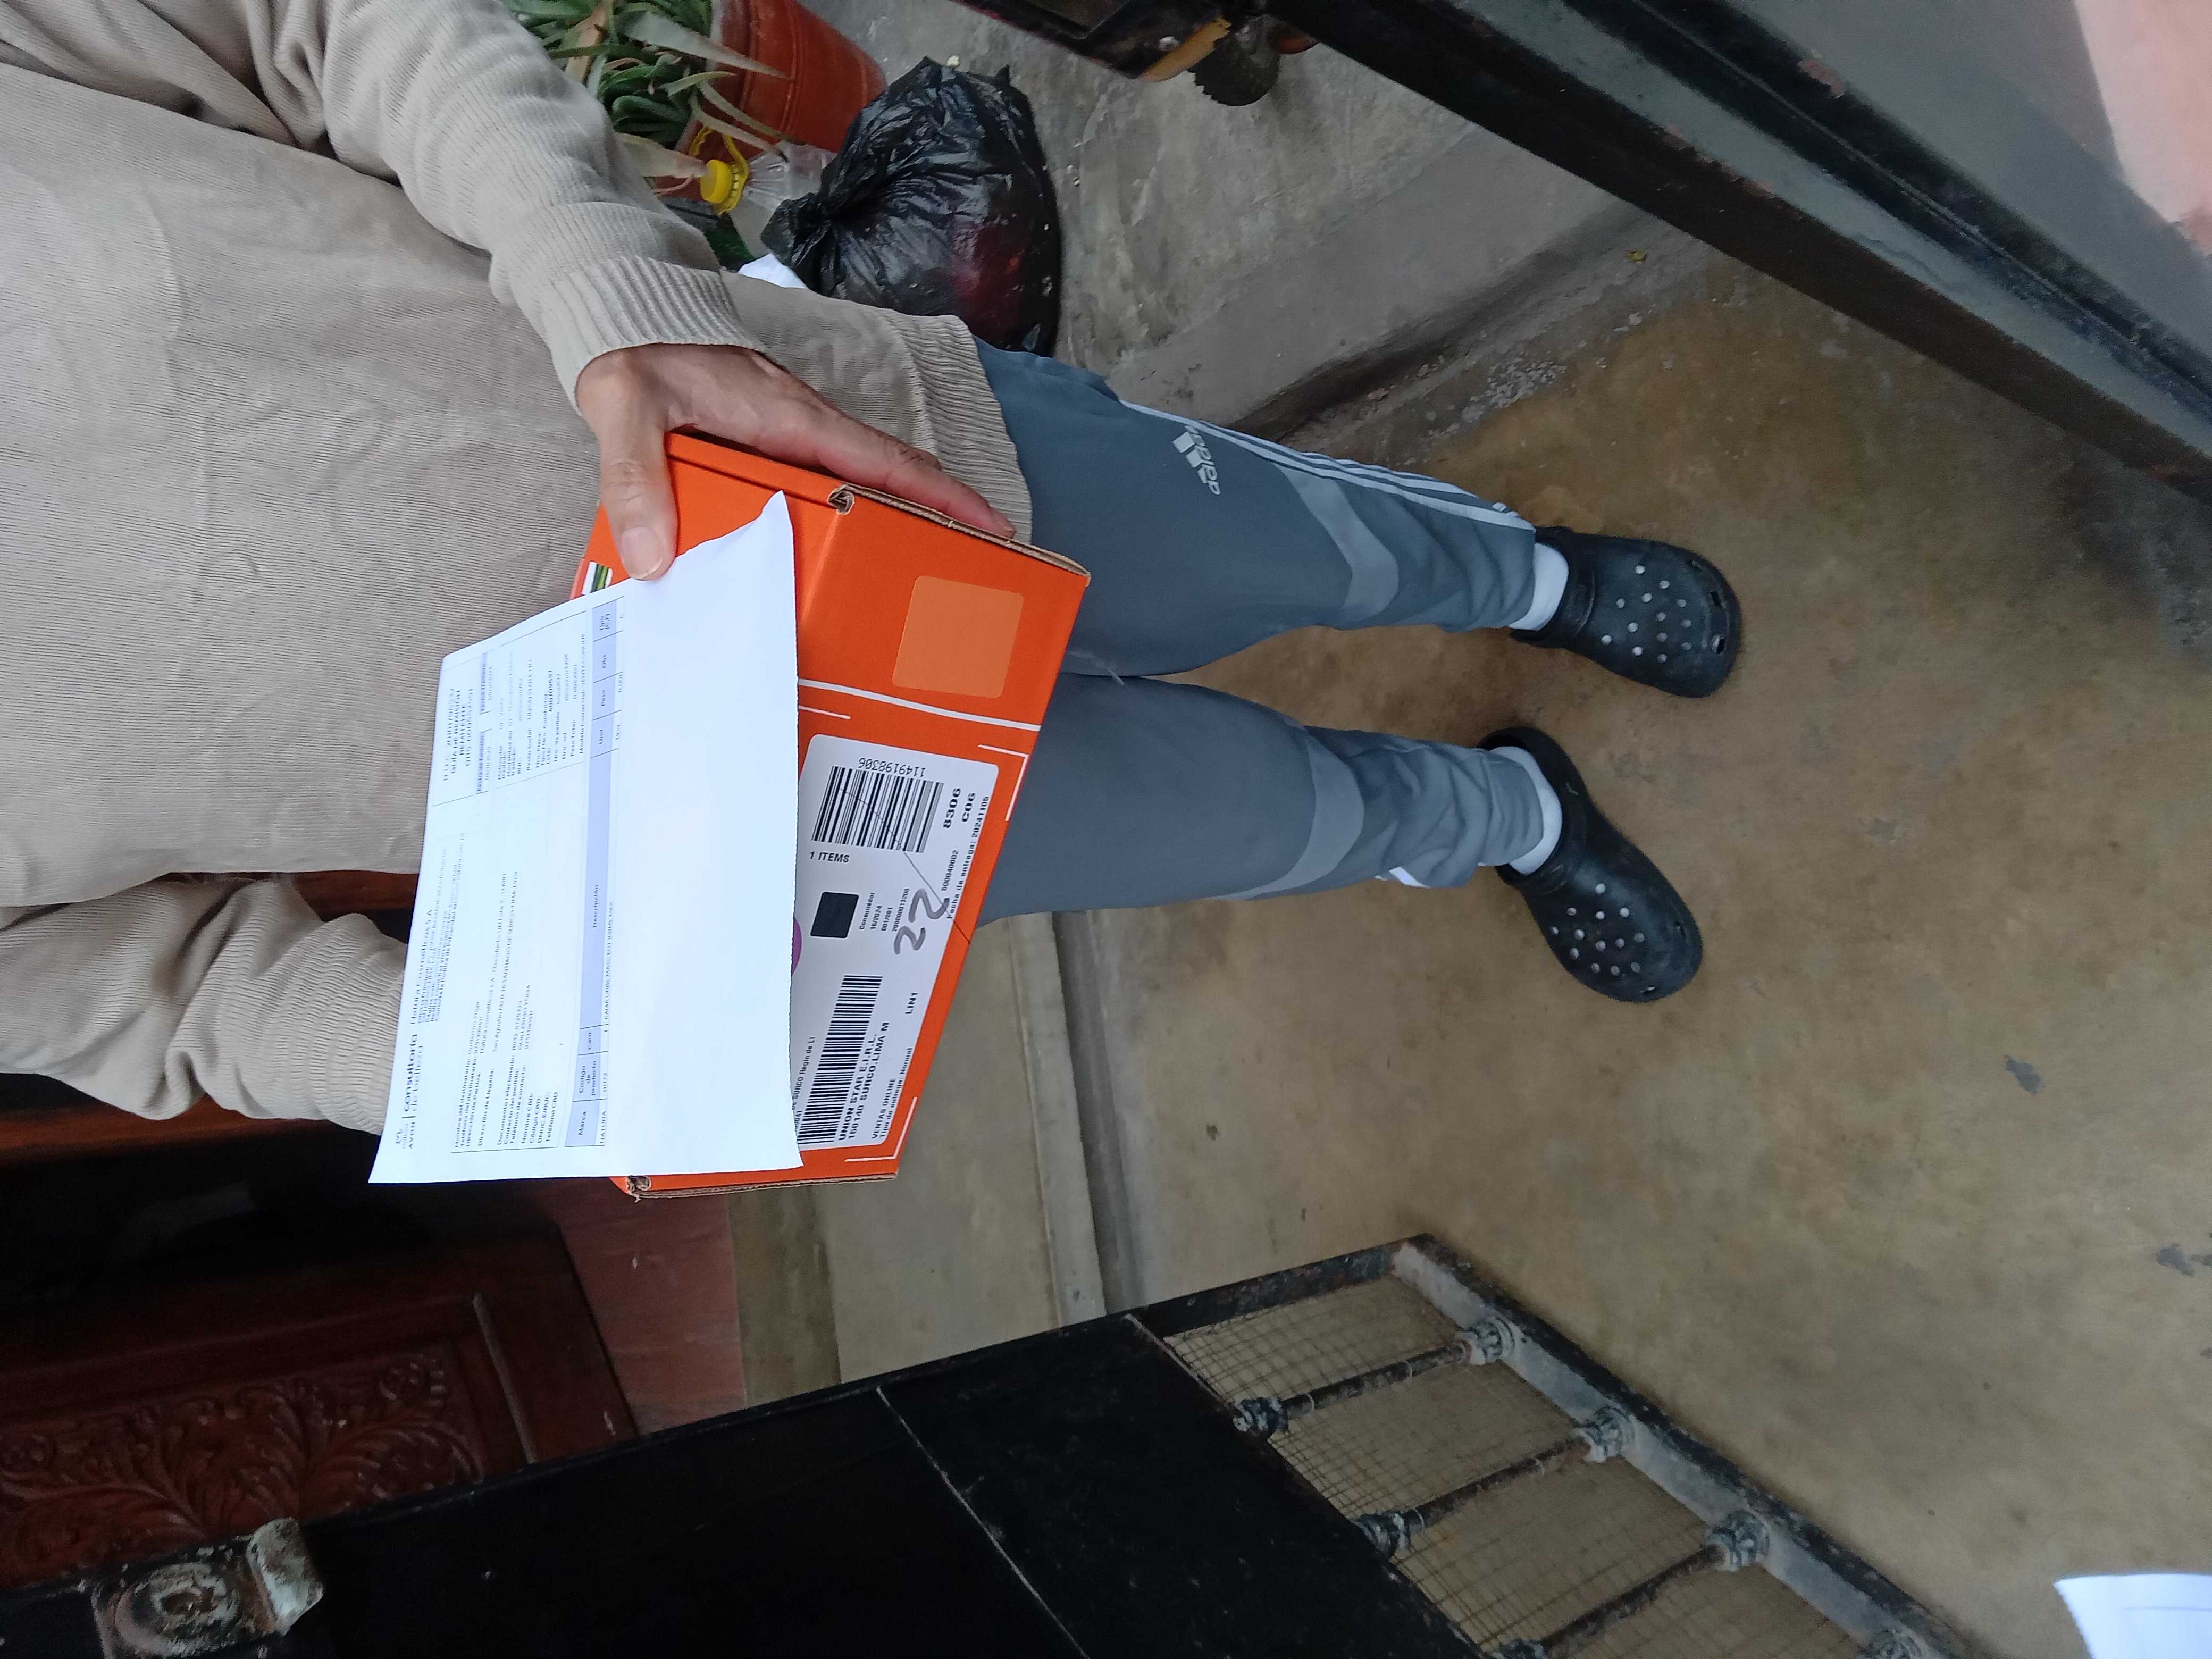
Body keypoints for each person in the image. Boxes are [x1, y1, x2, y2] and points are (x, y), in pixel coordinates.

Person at [0, 0, 1741, 1136]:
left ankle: (1522, 580)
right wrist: (476, 1069)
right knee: (1247, 820)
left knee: (1300, 550)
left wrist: (613, 295)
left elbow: (314, 24)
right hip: (762, 813)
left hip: (867, 451)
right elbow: (170, 1003)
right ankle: (1504, 819)